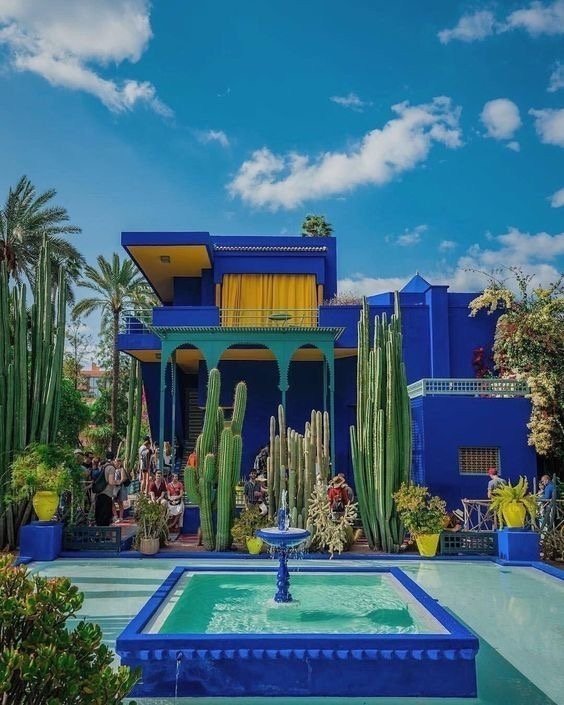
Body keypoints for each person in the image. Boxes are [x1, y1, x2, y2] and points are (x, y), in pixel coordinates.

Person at [94, 452, 119, 526]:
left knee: (99, 514)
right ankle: (104, 531)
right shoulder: (111, 468)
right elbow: (111, 482)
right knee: (105, 515)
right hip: (107, 493)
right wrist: (118, 482)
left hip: (99, 492)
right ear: (113, 458)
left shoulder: (102, 466)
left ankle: (99, 530)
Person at [112, 458, 129, 523]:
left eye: (117, 461)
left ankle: (121, 517)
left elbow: (123, 478)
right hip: (114, 487)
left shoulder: (121, 469)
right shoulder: (113, 469)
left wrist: (118, 482)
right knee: (112, 501)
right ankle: (115, 516)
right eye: (115, 461)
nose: (116, 463)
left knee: (120, 502)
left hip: (120, 488)